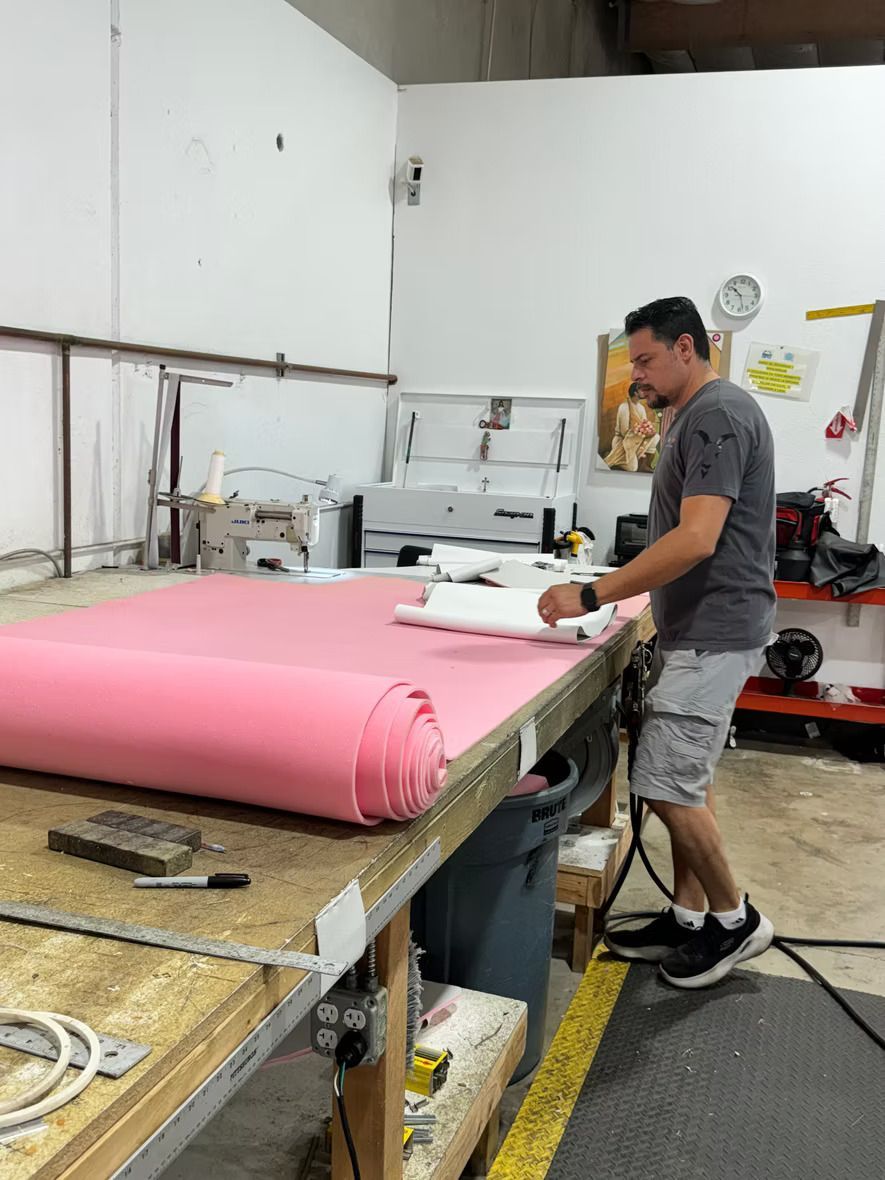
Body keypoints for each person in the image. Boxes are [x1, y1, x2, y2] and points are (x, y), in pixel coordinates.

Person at [539, 295, 776, 989]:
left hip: (714, 632)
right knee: (687, 780)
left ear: (685, 347)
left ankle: (735, 921)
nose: (636, 374)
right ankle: (690, 917)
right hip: (697, 628)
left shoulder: (717, 415)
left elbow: (697, 538)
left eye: (644, 359)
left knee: (665, 784)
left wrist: (592, 594)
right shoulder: (688, 414)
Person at [603, 381, 660, 472]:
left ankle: (644, 464)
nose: (644, 393)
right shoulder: (624, 407)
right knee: (632, 468)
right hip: (623, 442)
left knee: (656, 436)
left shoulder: (641, 408)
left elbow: (644, 424)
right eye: (642, 390)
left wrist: (647, 431)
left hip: (636, 439)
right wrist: (640, 432)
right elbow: (624, 432)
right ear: (635, 393)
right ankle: (613, 457)